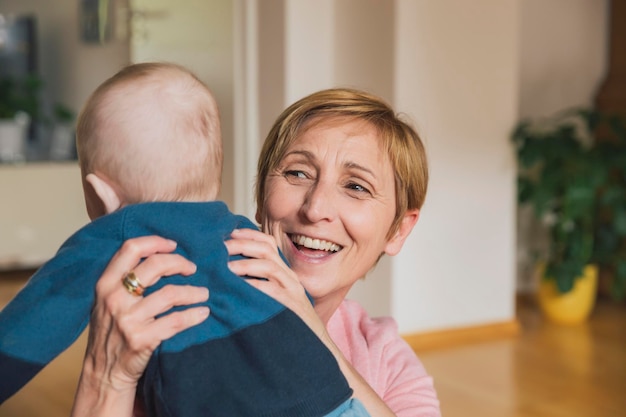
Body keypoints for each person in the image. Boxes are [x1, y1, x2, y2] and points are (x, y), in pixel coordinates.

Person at [0, 63, 370, 417]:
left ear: (99, 193)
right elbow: (291, 301)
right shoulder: (243, 232)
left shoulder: (118, 233)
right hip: (334, 400)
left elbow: (31, 327)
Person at [69, 87, 442, 417]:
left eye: (357, 186)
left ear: (398, 229)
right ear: (261, 198)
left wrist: (315, 338)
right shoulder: (177, 308)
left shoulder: (386, 361)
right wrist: (107, 376)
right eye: (297, 173)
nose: (315, 209)